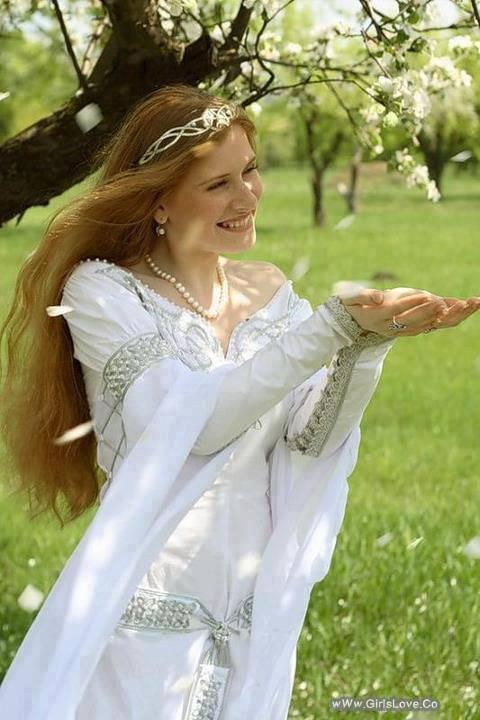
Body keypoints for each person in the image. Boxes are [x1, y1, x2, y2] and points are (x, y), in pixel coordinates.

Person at [0, 84, 478, 720]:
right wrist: (332, 329)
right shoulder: (102, 293)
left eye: (250, 170)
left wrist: (365, 345)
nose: (248, 196)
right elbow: (191, 424)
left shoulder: (270, 291)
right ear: (158, 200)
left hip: (254, 618)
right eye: (218, 184)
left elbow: (309, 440)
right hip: (143, 620)